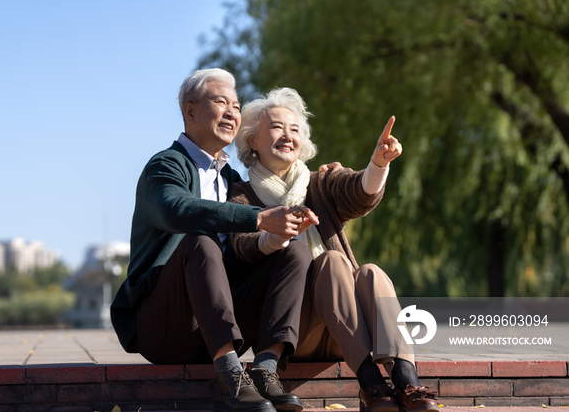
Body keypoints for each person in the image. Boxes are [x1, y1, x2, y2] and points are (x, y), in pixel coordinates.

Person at [110, 69, 314, 412]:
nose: (233, 112)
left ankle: (265, 368)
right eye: (221, 102)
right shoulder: (165, 166)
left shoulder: (233, 180)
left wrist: (320, 180)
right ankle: (230, 374)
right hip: (165, 327)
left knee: (294, 250)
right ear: (190, 111)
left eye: (236, 105)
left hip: (222, 319)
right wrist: (259, 218)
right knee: (200, 242)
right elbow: (175, 209)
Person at [227, 87, 439, 412]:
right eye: (277, 127)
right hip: (295, 333)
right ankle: (370, 382)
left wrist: (378, 164)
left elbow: (358, 192)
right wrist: (279, 233)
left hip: (348, 330)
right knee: (332, 262)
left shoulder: (319, 183)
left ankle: (406, 377)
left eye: (295, 129)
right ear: (253, 140)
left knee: (371, 273)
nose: (288, 134)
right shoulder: (241, 196)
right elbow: (242, 247)